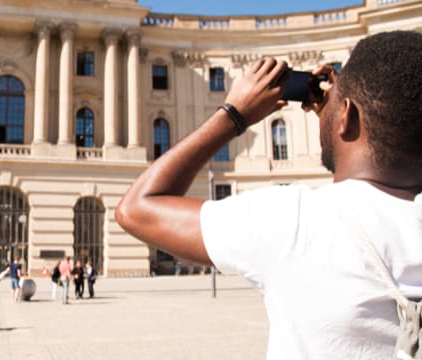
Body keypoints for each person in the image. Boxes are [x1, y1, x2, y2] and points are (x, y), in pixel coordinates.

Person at [115, 30, 422, 359]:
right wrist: (336, 119)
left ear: (346, 117)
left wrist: (234, 114)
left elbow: (137, 209)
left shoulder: (294, 222)